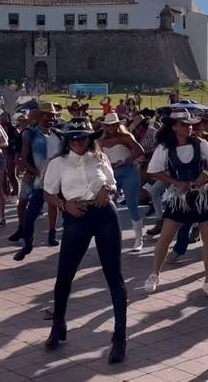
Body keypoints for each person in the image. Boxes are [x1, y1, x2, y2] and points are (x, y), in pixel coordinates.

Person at [42, 118, 127, 363]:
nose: (78, 141)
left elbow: (112, 183)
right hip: (75, 215)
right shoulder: (58, 163)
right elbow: (48, 192)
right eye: (74, 137)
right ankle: (58, 325)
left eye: (83, 137)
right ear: (66, 140)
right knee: (64, 275)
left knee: (115, 278)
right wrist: (63, 204)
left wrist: (107, 191)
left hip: (104, 215)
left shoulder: (100, 157)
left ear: (90, 138)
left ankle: (120, 338)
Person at [143, 111, 208, 300]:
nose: (189, 127)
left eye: (190, 124)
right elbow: (153, 170)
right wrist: (175, 182)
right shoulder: (164, 147)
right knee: (166, 237)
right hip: (179, 196)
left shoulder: (200, 143)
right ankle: (154, 274)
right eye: (184, 124)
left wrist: (203, 177)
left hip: (202, 195)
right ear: (174, 127)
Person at [12, 102, 63, 259]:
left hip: (58, 181)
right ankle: (27, 245)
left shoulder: (59, 134)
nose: (51, 119)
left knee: (64, 210)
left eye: (53, 116)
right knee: (30, 215)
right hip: (39, 181)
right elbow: (25, 158)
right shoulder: (30, 134)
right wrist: (36, 172)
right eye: (48, 115)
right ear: (40, 116)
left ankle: (52, 234)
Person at [98, 113, 145, 252]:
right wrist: (108, 165)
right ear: (105, 126)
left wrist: (125, 161)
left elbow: (139, 151)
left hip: (129, 171)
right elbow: (98, 158)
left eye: (114, 125)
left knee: (132, 205)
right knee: (109, 205)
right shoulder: (101, 140)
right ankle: (112, 237)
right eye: (109, 125)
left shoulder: (125, 137)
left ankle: (138, 238)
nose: (112, 128)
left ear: (118, 125)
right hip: (111, 173)